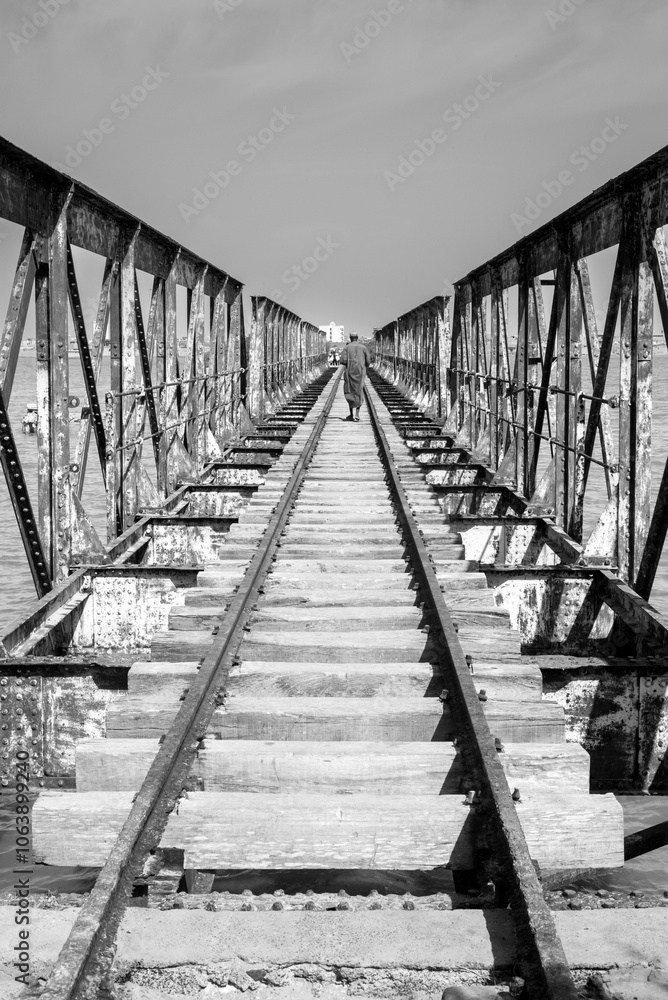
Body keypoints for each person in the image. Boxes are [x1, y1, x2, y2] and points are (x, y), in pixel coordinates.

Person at [339, 332, 370, 421]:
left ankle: (351, 414)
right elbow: (368, 362)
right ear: (357, 338)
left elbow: (342, 361)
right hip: (360, 373)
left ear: (350, 338)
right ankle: (357, 414)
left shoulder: (346, 348)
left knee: (349, 391)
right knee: (359, 392)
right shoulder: (363, 347)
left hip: (349, 372)